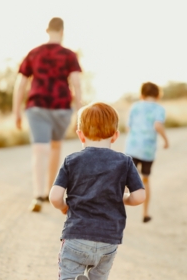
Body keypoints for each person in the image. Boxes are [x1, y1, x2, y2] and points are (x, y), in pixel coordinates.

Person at [49, 102, 146, 280]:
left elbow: (55, 197)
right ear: (115, 136)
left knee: (69, 275)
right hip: (109, 239)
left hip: (77, 235)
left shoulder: (72, 161)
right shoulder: (124, 162)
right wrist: (122, 198)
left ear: (80, 135)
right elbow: (139, 196)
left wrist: (64, 207)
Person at [13, 17, 82, 212]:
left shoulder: (34, 53)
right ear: (62, 31)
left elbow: (21, 84)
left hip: (37, 107)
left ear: (47, 30)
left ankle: (38, 195)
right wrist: (80, 113)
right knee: (55, 147)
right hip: (61, 107)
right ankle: (52, 192)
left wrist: (16, 111)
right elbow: (76, 83)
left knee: (39, 149)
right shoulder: (69, 55)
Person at [124, 82, 169, 223]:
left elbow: (128, 128)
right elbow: (157, 125)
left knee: (124, 180)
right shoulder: (159, 108)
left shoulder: (135, 106)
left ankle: (116, 210)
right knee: (145, 180)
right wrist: (166, 140)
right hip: (148, 151)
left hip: (132, 148)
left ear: (141, 94)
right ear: (157, 95)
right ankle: (145, 213)